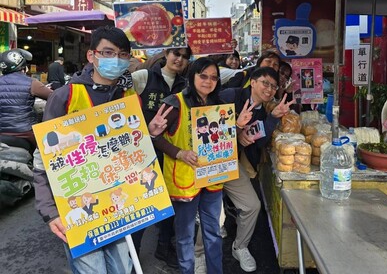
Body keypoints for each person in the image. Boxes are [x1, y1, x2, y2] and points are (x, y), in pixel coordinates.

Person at [33, 26, 134, 274]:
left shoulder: (127, 95)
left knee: (122, 269)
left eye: (122, 54)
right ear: (92, 55)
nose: (115, 60)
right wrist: (49, 212)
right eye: (108, 52)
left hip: (120, 203)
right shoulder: (65, 96)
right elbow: (42, 157)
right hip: (78, 207)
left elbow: (133, 146)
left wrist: (149, 132)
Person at [148, 57, 253, 274]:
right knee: (186, 236)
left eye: (213, 77)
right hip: (185, 180)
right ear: (192, 76)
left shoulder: (221, 106)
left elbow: (223, 140)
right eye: (203, 76)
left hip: (213, 178)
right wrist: (179, 152)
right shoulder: (174, 103)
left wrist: (237, 127)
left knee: (213, 231)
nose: (208, 81)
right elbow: (156, 139)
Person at [219, 67, 295, 272]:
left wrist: (274, 117)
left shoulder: (263, 111)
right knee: (206, 212)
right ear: (252, 82)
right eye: (265, 83)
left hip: (231, 163)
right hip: (208, 163)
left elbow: (259, 143)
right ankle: (198, 255)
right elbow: (205, 123)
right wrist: (234, 130)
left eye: (273, 86)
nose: (269, 89)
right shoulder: (229, 95)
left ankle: (240, 246)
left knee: (252, 205)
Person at [130, 46, 191, 267]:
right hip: (143, 151)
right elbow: (122, 97)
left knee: (168, 203)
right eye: (176, 54)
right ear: (166, 54)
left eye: (185, 57)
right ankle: (132, 255)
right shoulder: (144, 76)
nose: (179, 59)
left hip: (170, 150)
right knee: (143, 203)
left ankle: (164, 248)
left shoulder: (186, 84)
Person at [0, 48, 53, 150]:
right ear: (23, 67)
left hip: (1, 132)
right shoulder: (31, 82)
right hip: (25, 133)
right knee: (44, 151)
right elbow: (55, 97)